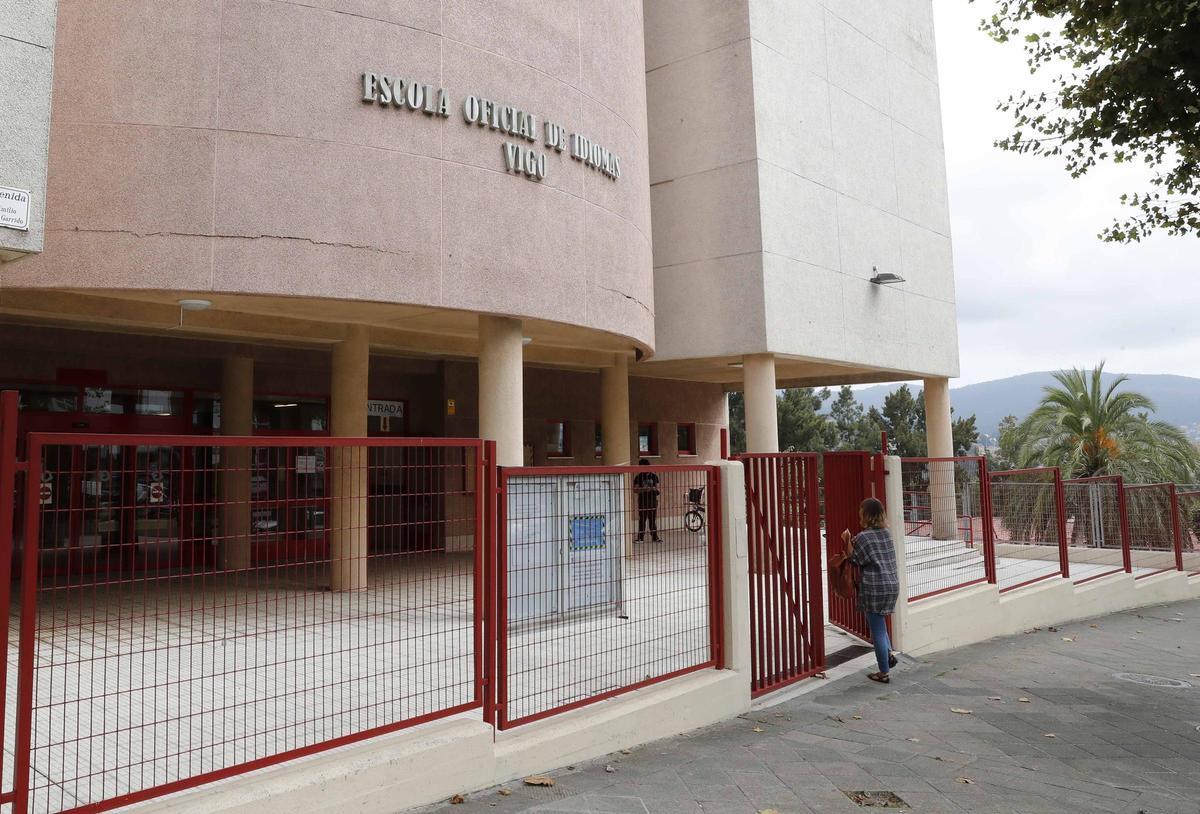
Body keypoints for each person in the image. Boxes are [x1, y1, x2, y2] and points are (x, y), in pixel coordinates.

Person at [842, 497, 900, 683]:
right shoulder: (887, 533)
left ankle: (883, 672)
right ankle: (889, 654)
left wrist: (848, 540)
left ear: (866, 514)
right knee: (881, 623)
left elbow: (854, 559)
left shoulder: (864, 537)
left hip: (874, 587)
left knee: (877, 630)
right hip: (891, 585)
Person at [632, 459, 662, 543]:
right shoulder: (638, 477)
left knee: (652, 520)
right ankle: (640, 538)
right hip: (642, 501)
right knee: (642, 520)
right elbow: (635, 489)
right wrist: (644, 489)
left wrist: (654, 489)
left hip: (652, 501)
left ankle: (655, 537)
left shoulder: (654, 476)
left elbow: (658, 488)